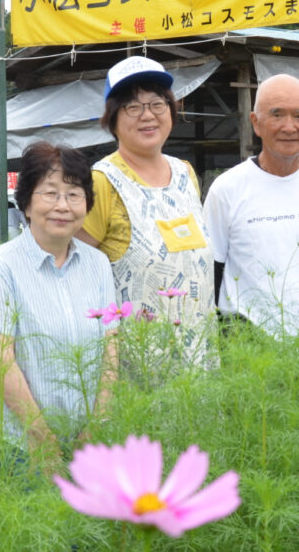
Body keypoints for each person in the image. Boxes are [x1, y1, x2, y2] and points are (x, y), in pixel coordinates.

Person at [0, 142, 117, 473]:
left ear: (87, 204)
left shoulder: (98, 264)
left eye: (74, 194)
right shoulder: (0, 267)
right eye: (50, 193)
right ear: (26, 204)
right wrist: (42, 437)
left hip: (87, 445)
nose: (62, 206)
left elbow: (111, 350)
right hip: (20, 445)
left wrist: (97, 426)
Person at [203, 73, 299, 363]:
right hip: (250, 354)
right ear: (255, 122)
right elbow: (213, 271)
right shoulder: (227, 189)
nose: (289, 127)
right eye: (277, 114)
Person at [78, 56, 215, 369]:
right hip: (136, 366)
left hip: (200, 360)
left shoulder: (186, 174)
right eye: (132, 107)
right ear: (112, 118)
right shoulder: (103, 181)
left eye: (157, 104)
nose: (147, 115)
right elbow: (79, 274)